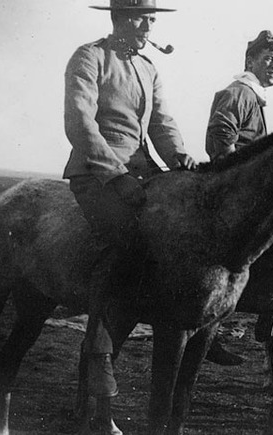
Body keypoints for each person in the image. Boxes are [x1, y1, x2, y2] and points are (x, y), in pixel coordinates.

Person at [63, 0, 196, 399]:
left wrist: (177, 156)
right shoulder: (90, 57)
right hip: (95, 172)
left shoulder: (148, 67)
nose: (148, 25)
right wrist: (115, 174)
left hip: (143, 171)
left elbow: (160, 122)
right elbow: (79, 121)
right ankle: (99, 351)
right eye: (140, 17)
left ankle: (192, 319)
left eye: (152, 18)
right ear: (117, 17)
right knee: (125, 239)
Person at [203, 30, 273, 366]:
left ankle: (267, 319)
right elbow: (220, 135)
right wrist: (239, 181)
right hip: (234, 193)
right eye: (268, 59)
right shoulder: (239, 92)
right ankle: (233, 327)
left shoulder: (252, 96)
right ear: (250, 61)